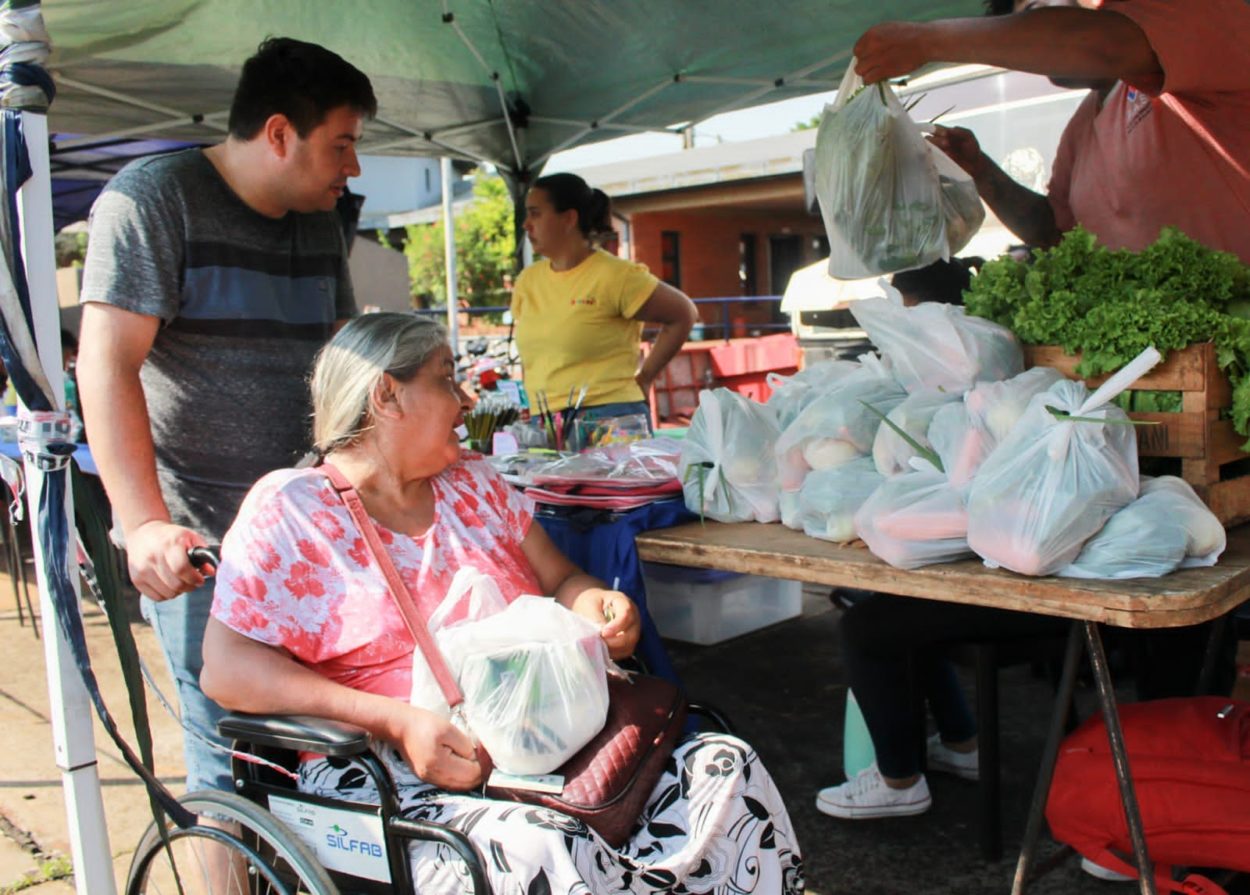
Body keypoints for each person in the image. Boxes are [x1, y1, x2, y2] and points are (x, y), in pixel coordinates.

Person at [200, 312, 804, 894]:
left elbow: (560, 576)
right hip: (388, 768)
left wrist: (593, 602)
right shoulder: (293, 511)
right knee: (544, 848)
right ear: (387, 395)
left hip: (545, 738)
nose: (466, 400)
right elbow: (229, 672)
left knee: (724, 767)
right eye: (444, 377)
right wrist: (395, 721)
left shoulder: (475, 483)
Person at [75, 37, 375, 796]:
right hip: (203, 540)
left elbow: (345, 363)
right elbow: (105, 363)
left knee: (326, 744)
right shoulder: (153, 199)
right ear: (279, 134)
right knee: (226, 754)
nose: (354, 168)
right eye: (341, 145)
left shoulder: (318, 222)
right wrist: (141, 523)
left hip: (314, 533)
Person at [853, 0, 1250, 264]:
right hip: (1169, 357)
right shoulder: (1083, 127)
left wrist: (927, 40)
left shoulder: (1197, 16)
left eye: (1035, 16)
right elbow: (1054, 230)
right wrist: (982, 172)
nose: (1027, 53)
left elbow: (1101, 43)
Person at [512, 172, 700, 429]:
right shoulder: (528, 281)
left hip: (610, 419)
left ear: (569, 218)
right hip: (545, 421)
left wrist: (645, 377)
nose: (526, 224)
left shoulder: (616, 275)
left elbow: (683, 314)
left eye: (535, 213)